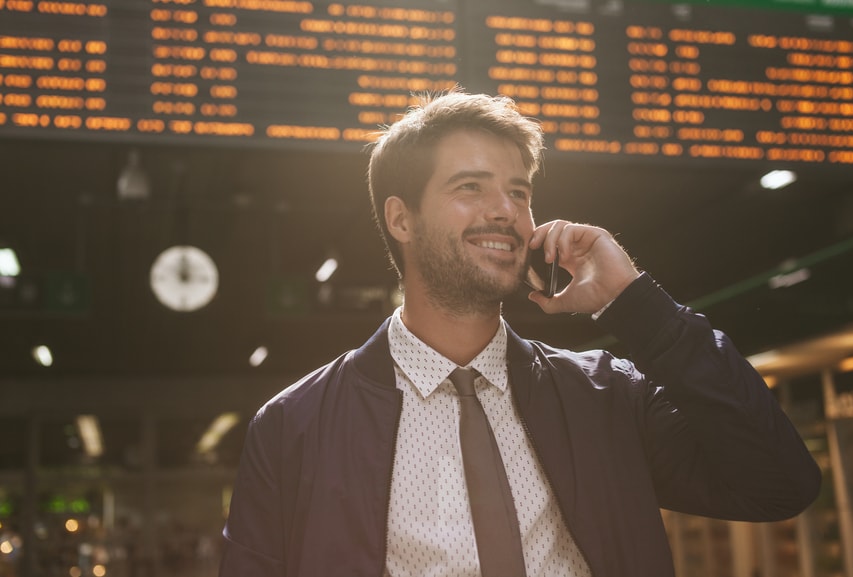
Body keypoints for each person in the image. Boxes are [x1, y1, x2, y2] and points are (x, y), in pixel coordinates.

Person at [219, 89, 821, 577]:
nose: (505, 210)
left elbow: (777, 485)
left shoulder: (603, 398)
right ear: (401, 218)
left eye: (519, 192)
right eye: (470, 187)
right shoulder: (296, 426)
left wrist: (637, 305)